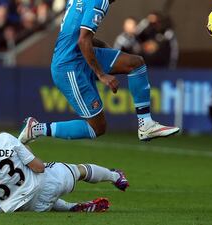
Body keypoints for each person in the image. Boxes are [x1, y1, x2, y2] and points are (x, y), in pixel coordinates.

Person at [20, 0, 180, 144]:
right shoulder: (100, 1)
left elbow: (76, 34)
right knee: (97, 128)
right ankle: (35, 129)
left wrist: (104, 46)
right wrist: (101, 74)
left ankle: (145, 123)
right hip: (69, 66)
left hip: (80, 53)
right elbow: (83, 40)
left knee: (135, 63)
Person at [0, 107, 129, 213]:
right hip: (44, 186)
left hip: (17, 208)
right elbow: (38, 168)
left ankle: (72, 208)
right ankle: (115, 176)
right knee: (78, 170)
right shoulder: (4, 138)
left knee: (38, 199)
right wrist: (25, 148)